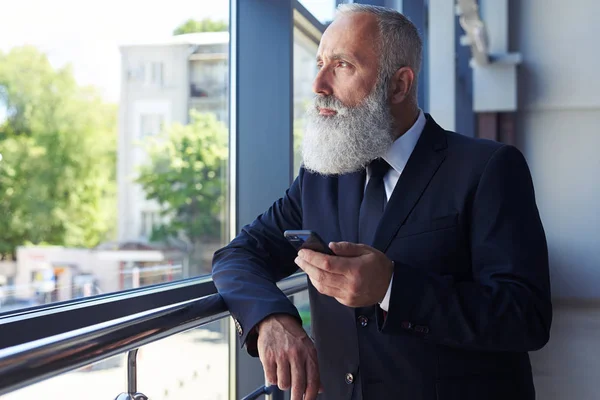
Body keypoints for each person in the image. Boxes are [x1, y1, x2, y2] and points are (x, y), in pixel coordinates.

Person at [212, 4, 552, 400]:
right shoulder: (320, 177)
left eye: (342, 65)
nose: (319, 83)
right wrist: (271, 318)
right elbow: (238, 255)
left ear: (398, 86)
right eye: (320, 62)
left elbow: (525, 316)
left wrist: (393, 287)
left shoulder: (488, 167)